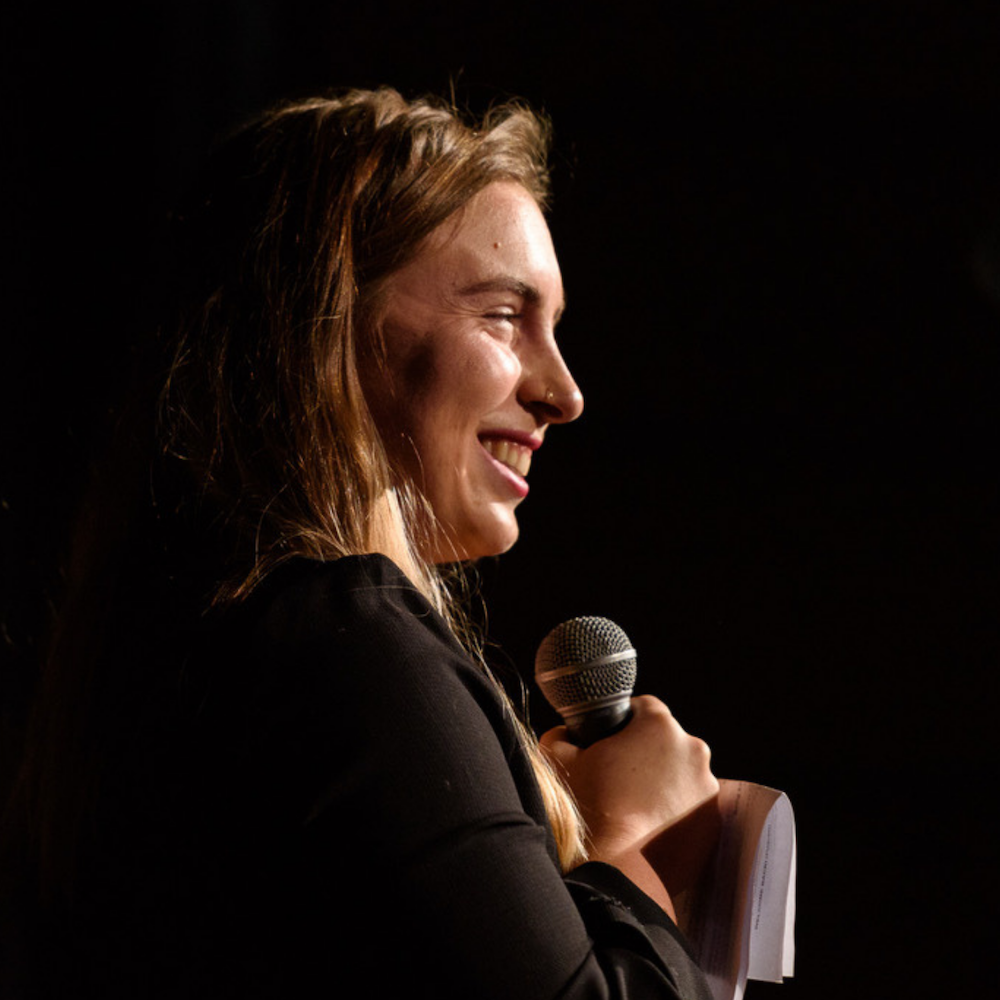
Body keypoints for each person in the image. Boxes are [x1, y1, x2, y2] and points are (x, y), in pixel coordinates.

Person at [0, 87, 720, 999]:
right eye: (504, 315)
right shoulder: (341, 646)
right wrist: (632, 843)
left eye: (556, 328)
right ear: (328, 320)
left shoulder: (160, 650)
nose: (564, 393)